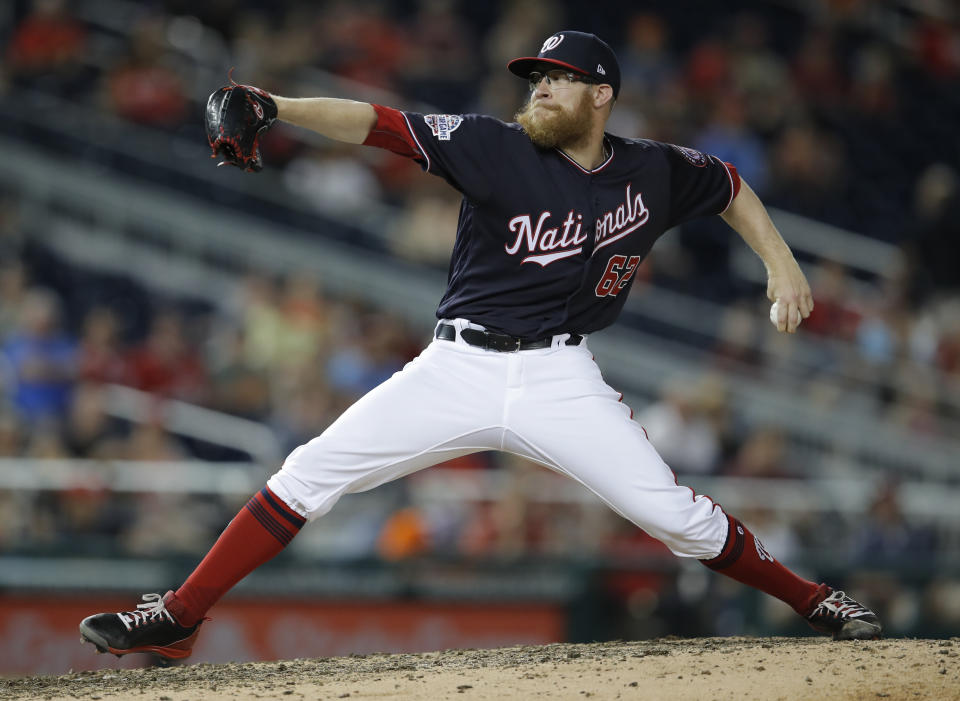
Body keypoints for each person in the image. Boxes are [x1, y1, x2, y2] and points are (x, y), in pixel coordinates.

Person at [79, 31, 881, 660]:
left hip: (560, 374)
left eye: (556, 78)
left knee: (675, 518)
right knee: (308, 472)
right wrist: (274, 104)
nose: (539, 87)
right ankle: (179, 615)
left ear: (600, 96)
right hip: (456, 365)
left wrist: (781, 263)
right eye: (534, 76)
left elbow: (731, 186)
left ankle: (815, 599)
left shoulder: (652, 172)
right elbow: (376, 124)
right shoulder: (494, 145)